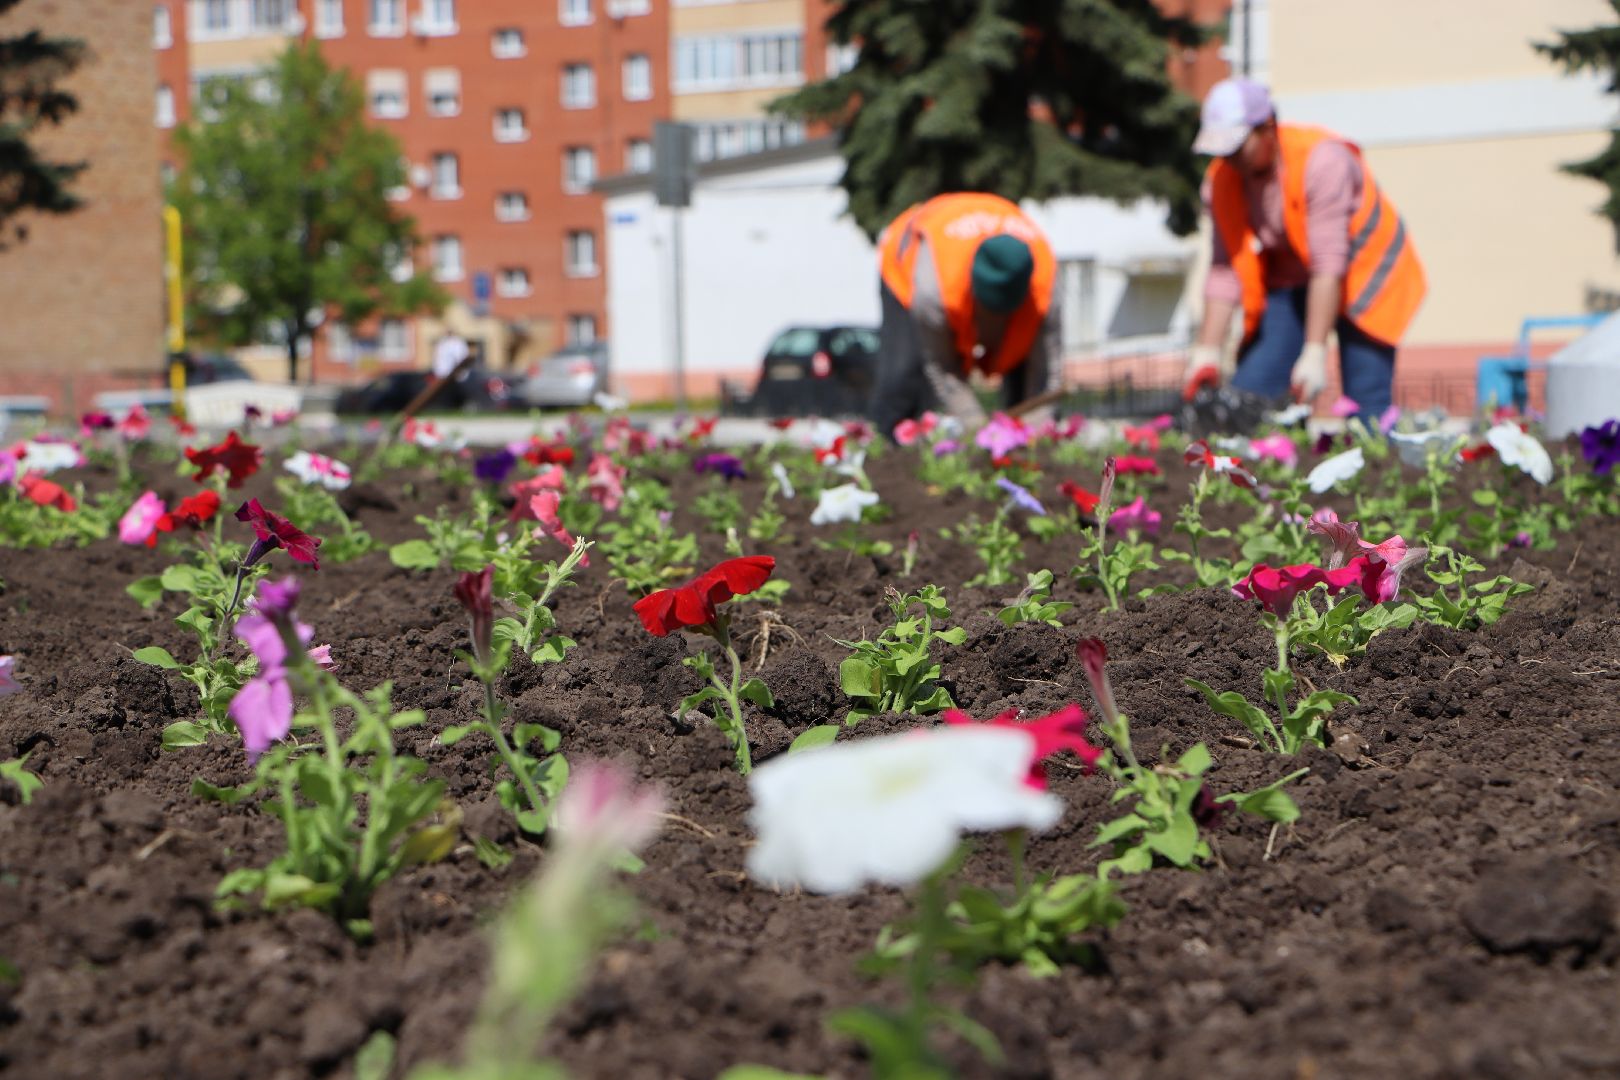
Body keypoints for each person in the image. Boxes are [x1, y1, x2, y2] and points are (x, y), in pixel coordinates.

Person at [1182, 78, 1427, 423]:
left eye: (1237, 147)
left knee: (1366, 408)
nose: (1230, 159)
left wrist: (1314, 352)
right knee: (1249, 396)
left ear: (1267, 128)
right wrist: (1206, 351)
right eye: (1222, 151)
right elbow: (1225, 268)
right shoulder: (1222, 179)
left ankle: (1375, 442)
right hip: (1295, 280)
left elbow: (1328, 263)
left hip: (1366, 278)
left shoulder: (1322, 161)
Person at [871, 192, 1062, 436]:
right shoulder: (934, 288)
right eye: (988, 314)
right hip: (907, 260)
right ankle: (890, 443)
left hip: (1007, 276)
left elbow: (1046, 373)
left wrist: (1034, 434)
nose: (993, 325)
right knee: (904, 374)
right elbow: (942, 367)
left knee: (1023, 374)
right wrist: (976, 428)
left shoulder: (1045, 286)